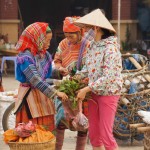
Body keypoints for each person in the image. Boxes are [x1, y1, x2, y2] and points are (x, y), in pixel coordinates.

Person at [74, 9, 123, 150]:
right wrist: (73, 78)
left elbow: (109, 76)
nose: (85, 33)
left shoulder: (111, 48)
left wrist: (86, 89)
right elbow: (88, 69)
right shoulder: (91, 46)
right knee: (94, 134)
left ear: (96, 28)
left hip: (109, 93)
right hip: (94, 93)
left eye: (88, 29)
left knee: (106, 134)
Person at [14, 22, 68, 132]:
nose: (49, 43)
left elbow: (44, 76)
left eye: (49, 40)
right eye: (46, 40)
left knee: (45, 133)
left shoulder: (44, 55)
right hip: (29, 98)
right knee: (30, 132)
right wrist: (56, 93)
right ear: (36, 39)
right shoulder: (25, 57)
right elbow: (35, 79)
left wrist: (58, 72)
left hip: (43, 97)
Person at [53, 17, 89, 150]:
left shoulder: (88, 45)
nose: (68, 38)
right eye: (66, 35)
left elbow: (91, 68)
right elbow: (57, 60)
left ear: (80, 32)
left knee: (82, 123)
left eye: (71, 35)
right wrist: (59, 68)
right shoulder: (63, 44)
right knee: (61, 120)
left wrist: (81, 79)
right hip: (66, 87)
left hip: (83, 89)